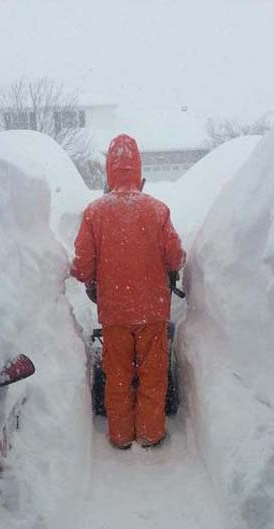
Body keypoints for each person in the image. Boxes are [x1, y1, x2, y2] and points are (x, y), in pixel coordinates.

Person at [71, 133, 185, 450]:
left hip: (115, 311)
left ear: (109, 170)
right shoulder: (157, 210)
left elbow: (82, 266)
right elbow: (175, 256)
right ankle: (150, 433)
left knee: (118, 375)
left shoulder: (94, 213)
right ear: (138, 170)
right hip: (152, 309)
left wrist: (94, 278)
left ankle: (120, 435)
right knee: (153, 373)